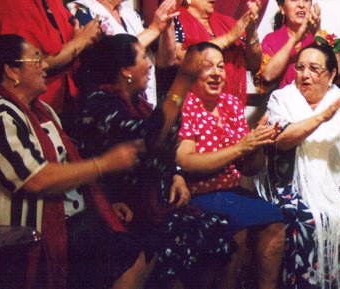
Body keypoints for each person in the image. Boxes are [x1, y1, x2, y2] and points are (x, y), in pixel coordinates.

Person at [0, 34, 148, 289]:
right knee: (133, 247)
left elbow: (67, 170)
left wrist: (102, 203)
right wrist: (103, 164)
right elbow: (36, 179)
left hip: (70, 219)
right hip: (27, 238)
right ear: (11, 71)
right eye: (36, 60)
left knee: (138, 239)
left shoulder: (43, 111)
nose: (46, 66)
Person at [72, 34, 235, 288]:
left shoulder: (138, 103)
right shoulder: (100, 104)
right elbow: (150, 139)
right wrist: (182, 80)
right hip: (124, 209)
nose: (150, 65)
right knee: (185, 237)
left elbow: (166, 149)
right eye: (142, 58)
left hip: (153, 204)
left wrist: (176, 174)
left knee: (217, 231)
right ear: (125, 70)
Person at [266, 42, 340, 289]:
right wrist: (321, 117)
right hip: (292, 184)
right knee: (298, 216)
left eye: (314, 69)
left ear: (330, 75)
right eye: (300, 68)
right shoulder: (282, 98)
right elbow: (281, 142)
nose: (304, 75)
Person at [175, 42, 285, 289]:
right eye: (207, 67)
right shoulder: (185, 105)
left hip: (231, 193)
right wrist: (239, 148)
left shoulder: (231, 104)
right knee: (237, 227)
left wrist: (258, 143)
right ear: (191, 71)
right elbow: (186, 162)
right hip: (197, 193)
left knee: (275, 221)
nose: (216, 73)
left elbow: (249, 168)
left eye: (220, 67)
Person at [67, 0, 182, 107]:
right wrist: (155, 28)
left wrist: (168, 22)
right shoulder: (80, 11)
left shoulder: (131, 15)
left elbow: (165, 61)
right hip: (107, 106)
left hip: (144, 105)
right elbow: (114, 56)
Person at [165, 0, 262, 104]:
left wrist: (251, 32)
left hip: (229, 106)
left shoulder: (227, 23)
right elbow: (179, 58)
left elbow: (254, 64)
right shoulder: (174, 19)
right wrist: (230, 37)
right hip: (190, 105)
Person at [258, 0, 321, 90]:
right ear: (282, 8)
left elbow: (336, 70)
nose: (301, 5)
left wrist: (318, 32)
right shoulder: (271, 40)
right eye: (294, 0)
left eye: (306, 0)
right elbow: (267, 76)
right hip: (282, 104)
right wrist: (294, 39)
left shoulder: (319, 36)